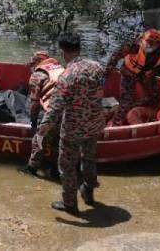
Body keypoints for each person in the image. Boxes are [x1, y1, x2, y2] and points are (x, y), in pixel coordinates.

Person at [40, 32, 106, 215]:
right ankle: (89, 191)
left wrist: (43, 130)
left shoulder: (67, 75)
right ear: (79, 48)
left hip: (73, 128)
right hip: (94, 124)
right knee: (89, 158)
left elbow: (55, 109)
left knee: (67, 166)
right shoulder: (98, 67)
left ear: (62, 51)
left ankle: (70, 204)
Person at [105, 29, 160, 126]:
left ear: (159, 44)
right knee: (126, 101)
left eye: (154, 43)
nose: (150, 45)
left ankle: (135, 108)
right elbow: (116, 56)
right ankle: (116, 125)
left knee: (155, 96)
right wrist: (107, 72)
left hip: (146, 73)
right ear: (143, 40)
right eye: (149, 42)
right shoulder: (133, 45)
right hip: (129, 72)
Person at [19, 51, 65, 178]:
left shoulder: (37, 75)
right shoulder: (61, 69)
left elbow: (34, 103)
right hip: (71, 110)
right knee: (57, 140)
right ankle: (55, 171)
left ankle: (31, 169)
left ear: (36, 63)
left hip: (54, 110)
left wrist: (33, 120)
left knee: (39, 140)